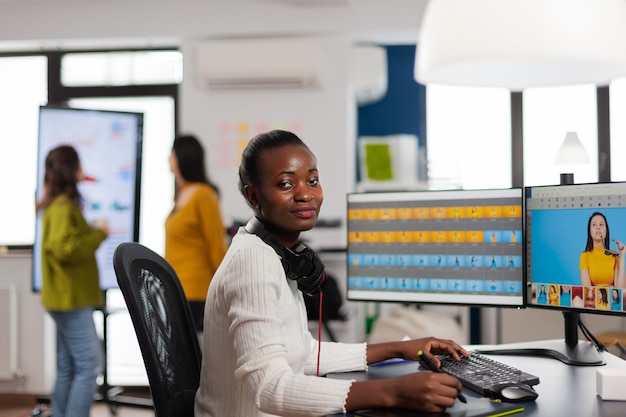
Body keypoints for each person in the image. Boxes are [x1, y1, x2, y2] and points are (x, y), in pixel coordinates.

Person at [195, 130, 468, 416]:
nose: (305, 193)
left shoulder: (273, 254)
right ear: (254, 195)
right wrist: (394, 392)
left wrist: (398, 349)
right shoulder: (254, 260)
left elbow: (303, 352)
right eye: (286, 184)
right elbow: (270, 388)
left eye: (312, 180)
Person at [36, 145, 109, 417]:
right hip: (71, 299)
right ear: (69, 170)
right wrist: (98, 234)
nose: (83, 171)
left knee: (69, 365)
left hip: (65, 298)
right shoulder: (63, 207)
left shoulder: (56, 206)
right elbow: (65, 248)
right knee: (90, 364)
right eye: (78, 165)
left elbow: (63, 243)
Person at [165, 134, 228, 332]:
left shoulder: (204, 194)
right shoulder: (181, 194)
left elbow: (216, 244)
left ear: (181, 158)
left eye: (172, 154)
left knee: (188, 355)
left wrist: (227, 289)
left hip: (196, 292)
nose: (168, 158)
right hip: (176, 288)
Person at [580, 212, 626, 287]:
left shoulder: (615, 255)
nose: (598, 227)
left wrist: (622, 256)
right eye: (594, 224)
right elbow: (587, 290)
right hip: (595, 298)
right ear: (590, 231)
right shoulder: (584, 256)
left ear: (606, 230)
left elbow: (621, 289)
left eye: (601, 224)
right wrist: (610, 287)